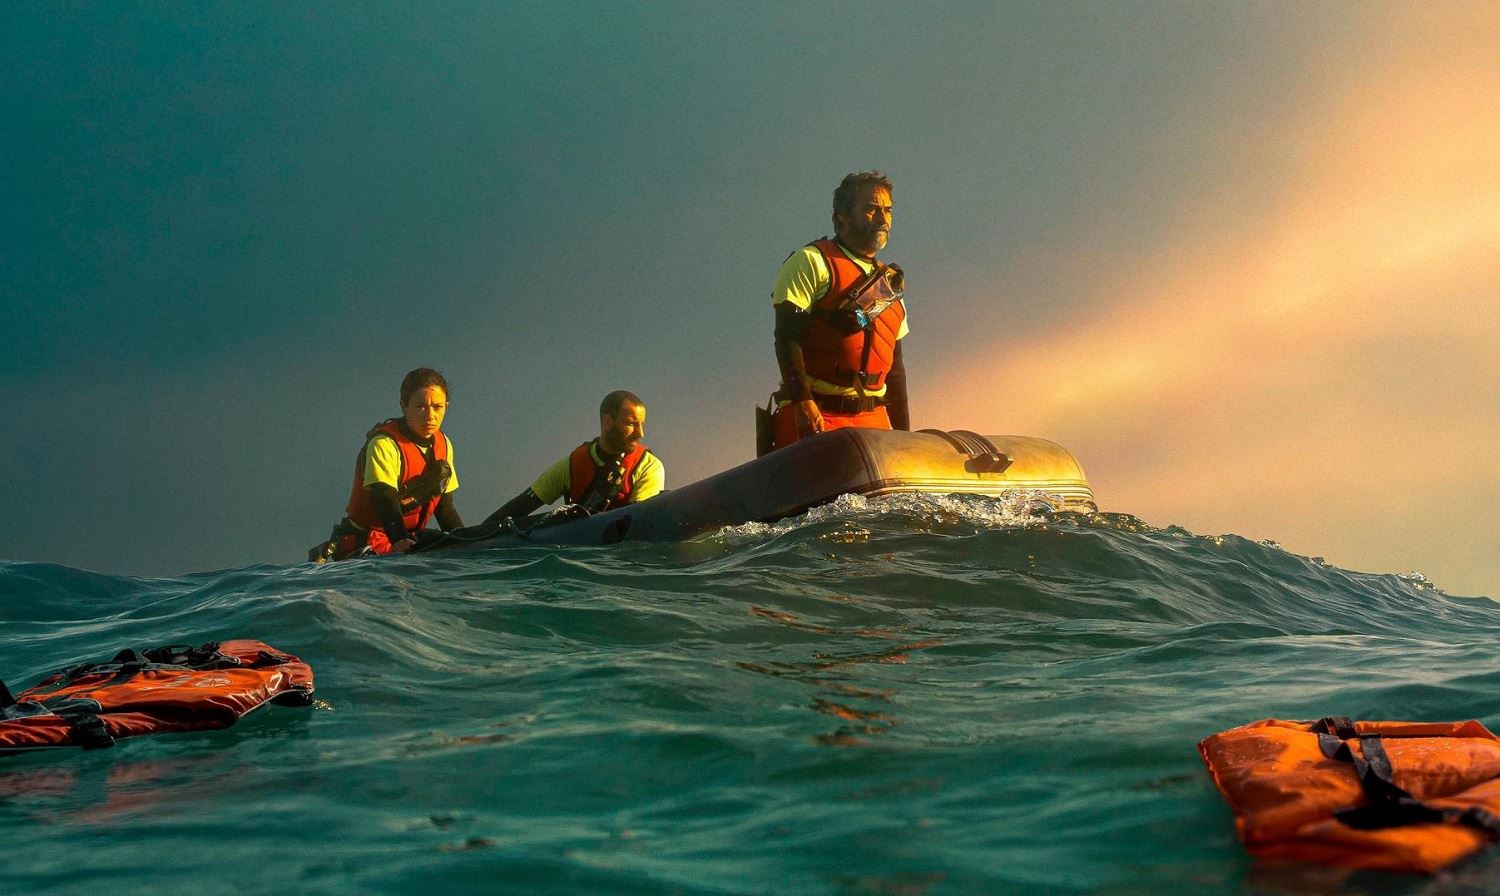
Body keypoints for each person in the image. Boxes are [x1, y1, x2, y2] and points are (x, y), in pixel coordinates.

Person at [764, 170, 910, 453]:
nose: (883, 219)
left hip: (874, 420)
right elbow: (786, 337)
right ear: (841, 215)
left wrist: (906, 436)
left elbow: (896, 369)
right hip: (818, 414)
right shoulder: (811, 262)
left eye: (888, 210)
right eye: (871, 209)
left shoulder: (891, 284)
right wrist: (801, 401)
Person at [309, 368, 464, 562]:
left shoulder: (444, 444)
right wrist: (398, 540)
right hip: (369, 544)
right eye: (421, 407)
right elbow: (385, 498)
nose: (430, 415)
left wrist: (465, 542)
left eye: (437, 407)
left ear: (446, 407)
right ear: (404, 406)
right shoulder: (384, 444)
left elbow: (445, 507)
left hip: (409, 540)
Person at [475, 390, 664, 529]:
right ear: (608, 421)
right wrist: (471, 537)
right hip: (577, 564)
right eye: (631, 424)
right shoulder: (571, 466)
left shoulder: (649, 466)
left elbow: (639, 522)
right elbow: (521, 505)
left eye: (642, 425)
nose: (640, 433)